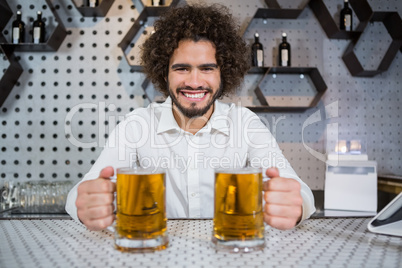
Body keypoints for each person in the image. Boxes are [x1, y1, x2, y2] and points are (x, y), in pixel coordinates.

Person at [65, 4, 315, 231]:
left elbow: (299, 192)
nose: (194, 82)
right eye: (182, 68)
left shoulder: (245, 123)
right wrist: (87, 203)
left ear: (223, 74)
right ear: (165, 74)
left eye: (207, 68)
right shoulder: (137, 124)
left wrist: (296, 204)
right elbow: (81, 193)